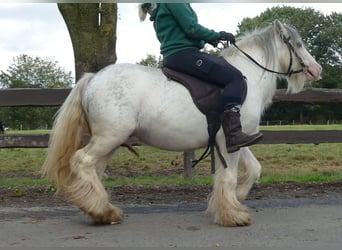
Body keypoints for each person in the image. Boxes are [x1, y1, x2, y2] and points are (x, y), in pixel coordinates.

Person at [139, 3, 262, 153]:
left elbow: (187, 33)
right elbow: (191, 28)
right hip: (184, 54)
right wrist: (218, 35)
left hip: (176, 55)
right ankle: (233, 134)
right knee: (234, 77)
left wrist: (209, 40)